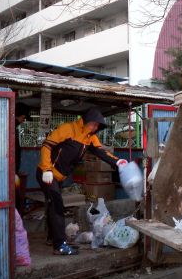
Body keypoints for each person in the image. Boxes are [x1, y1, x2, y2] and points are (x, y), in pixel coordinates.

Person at [37, 106, 127, 255]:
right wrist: (46, 169)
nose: (96, 127)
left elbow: (101, 151)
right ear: (86, 121)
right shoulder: (68, 129)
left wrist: (118, 162)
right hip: (46, 174)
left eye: (98, 125)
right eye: (94, 123)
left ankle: (53, 238)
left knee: (53, 205)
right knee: (57, 206)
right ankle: (59, 246)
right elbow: (47, 145)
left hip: (58, 177)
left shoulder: (90, 137)